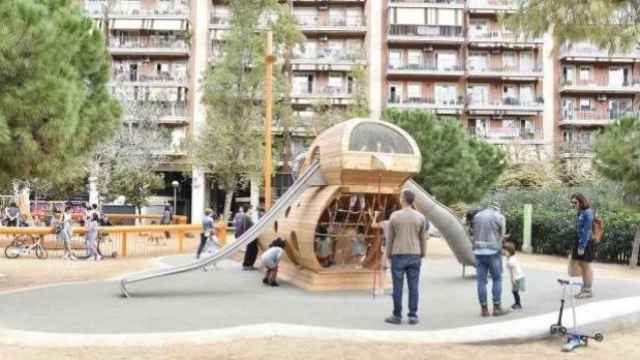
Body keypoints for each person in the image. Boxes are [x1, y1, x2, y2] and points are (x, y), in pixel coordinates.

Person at [384, 190, 428, 325]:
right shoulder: (420, 217)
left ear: (403, 199)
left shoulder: (395, 216)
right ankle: (413, 315)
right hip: (415, 254)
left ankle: (397, 315)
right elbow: (423, 238)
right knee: (413, 286)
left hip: (398, 254)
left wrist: (388, 253)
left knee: (397, 286)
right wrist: (423, 252)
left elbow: (390, 238)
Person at [472, 202, 509, 317]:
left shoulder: (477, 216)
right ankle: (497, 308)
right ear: (497, 208)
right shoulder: (499, 217)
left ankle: (484, 310)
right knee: (497, 279)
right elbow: (502, 235)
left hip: (478, 252)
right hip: (494, 252)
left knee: (481, 281)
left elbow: (473, 232)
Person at [569, 193, 595, 299]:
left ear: (581, 201)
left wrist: (582, 246)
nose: (573, 205)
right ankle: (585, 288)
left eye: (575, 202)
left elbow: (586, 231)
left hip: (585, 242)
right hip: (581, 241)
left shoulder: (587, 213)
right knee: (582, 265)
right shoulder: (581, 212)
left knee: (586, 266)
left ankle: (587, 290)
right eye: (572, 203)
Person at [503, 242, 525, 310]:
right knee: (514, 291)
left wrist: (513, 279)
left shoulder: (511, 261)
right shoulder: (512, 258)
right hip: (518, 276)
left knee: (515, 291)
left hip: (516, 277)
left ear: (510, 252)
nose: (504, 253)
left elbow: (512, 271)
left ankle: (518, 304)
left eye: (506, 251)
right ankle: (517, 303)